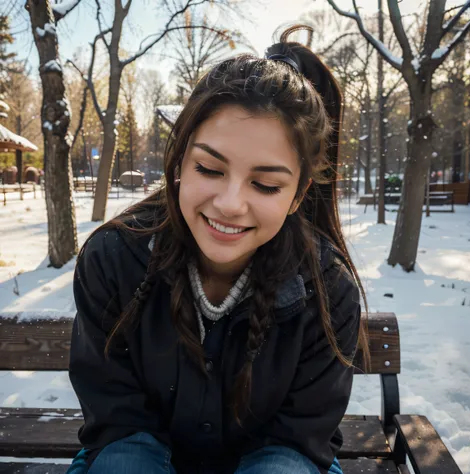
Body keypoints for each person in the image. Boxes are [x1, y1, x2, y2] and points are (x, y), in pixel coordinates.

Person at [66, 24, 369, 474]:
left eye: (265, 184)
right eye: (209, 168)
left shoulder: (327, 290)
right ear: (180, 162)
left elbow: (298, 439)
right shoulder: (112, 261)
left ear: (299, 194)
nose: (230, 204)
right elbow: (117, 418)